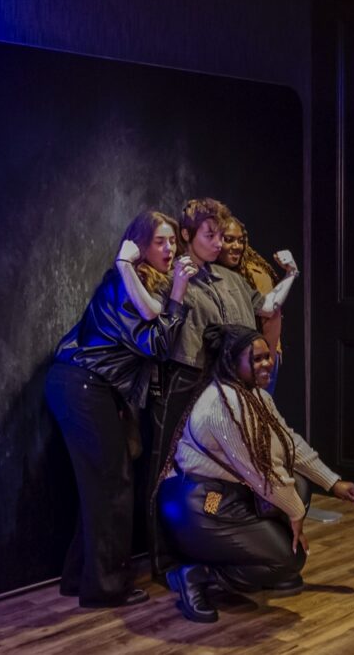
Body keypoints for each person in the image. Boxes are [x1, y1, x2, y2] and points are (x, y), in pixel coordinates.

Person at [127, 198, 300, 575]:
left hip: (227, 387)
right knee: (165, 469)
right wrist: (167, 281)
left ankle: (212, 555)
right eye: (211, 235)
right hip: (183, 379)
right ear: (188, 235)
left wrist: (290, 277)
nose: (220, 243)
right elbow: (153, 324)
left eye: (222, 235)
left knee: (225, 467)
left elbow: (267, 306)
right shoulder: (170, 276)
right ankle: (164, 560)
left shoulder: (233, 279)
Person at [156, 324, 354, 622]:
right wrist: (295, 515)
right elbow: (260, 473)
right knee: (287, 557)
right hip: (200, 502)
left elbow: (288, 443)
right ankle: (198, 576)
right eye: (257, 359)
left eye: (268, 357)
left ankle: (269, 566)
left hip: (229, 493)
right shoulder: (222, 404)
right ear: (231, 362)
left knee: (298, 491)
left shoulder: (256, 396)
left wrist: (332, 482)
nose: (267, 363)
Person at [45, 209, 194, 608]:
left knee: (101, 486)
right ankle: (105, 588)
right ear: (140, 245)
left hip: (89, 387)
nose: (169, 248)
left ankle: (81, 577)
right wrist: (178, 294)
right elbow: (157, 345)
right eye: (159, 241)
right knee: (112, 486)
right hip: (84, 386)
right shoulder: (123, 282)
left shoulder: (139, 283)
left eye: (171, 241)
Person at [217, 216, 284, 393]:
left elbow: (272, 315)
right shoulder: (212, 271)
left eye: (240, 240)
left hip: (260, 355)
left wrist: (265, 360)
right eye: (229, 239)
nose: (237, 246)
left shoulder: (254, 273)